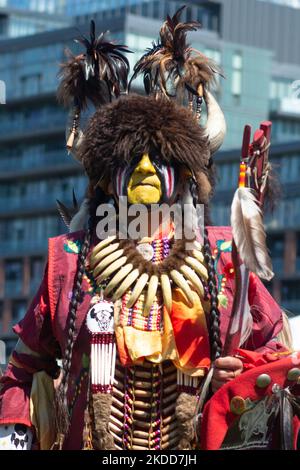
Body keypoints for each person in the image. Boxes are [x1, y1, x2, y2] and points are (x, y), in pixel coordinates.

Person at [0, 9, 292, 451]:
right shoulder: (71, 259)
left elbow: (277, 348)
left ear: (186, 176)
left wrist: (242, 368)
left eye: (160, 159)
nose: (143, 170)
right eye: (129, 160)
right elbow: (23, 367)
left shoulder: (223, 256)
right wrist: (14, 431)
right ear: (105, 178)